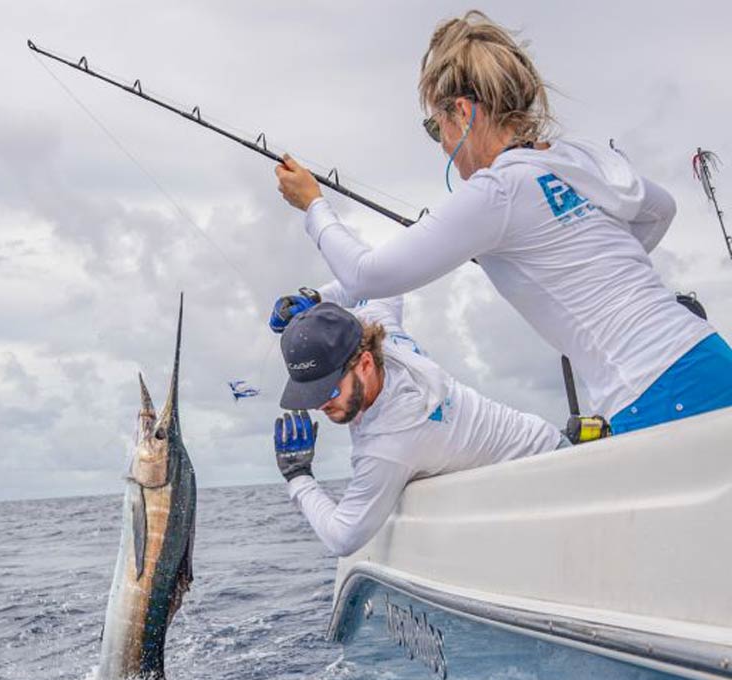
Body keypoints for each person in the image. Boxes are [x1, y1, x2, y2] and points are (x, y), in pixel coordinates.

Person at [274, 10, 732, 435]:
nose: (440, 143)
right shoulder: (579, 158)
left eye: (437, 128)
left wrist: (314, 206)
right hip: (709, 355)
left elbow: (367, 275)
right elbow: (661, 210)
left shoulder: (498, 192)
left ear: (463, 113)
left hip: (655, 389)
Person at [271, 287, 563, 557]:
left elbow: (343, 538)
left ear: (366, 365)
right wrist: (318, 302)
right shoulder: (374, 332)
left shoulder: (390, 442)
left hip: (548, 477)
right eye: (309, 393)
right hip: (543, 443)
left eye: (329, 389)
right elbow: (383, 286)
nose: (320, 403)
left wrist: (298, 476)